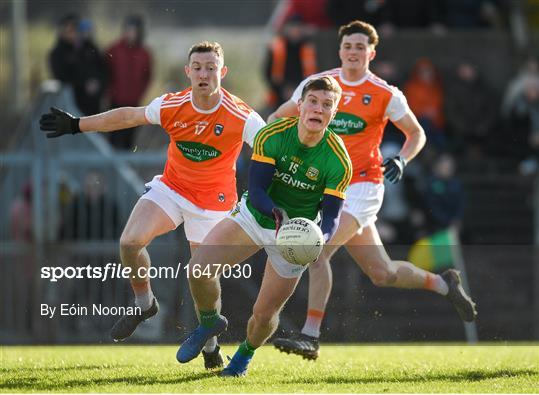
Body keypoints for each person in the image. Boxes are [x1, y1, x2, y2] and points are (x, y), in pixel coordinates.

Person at [39, 41, 266, 369]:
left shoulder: (241, 115)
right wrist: (77, 125)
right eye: (198, 68)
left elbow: (273, 146)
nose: (204, 74)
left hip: (214, 203)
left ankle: (210, 344)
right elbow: (128, 116)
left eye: (211, 68)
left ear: (223, 72)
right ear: (188, 72)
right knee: (130, 243)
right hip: (172, 189)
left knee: (202, 274)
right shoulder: (172, 105)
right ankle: (145, 303)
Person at [267, 20, 477, 360]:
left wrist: (403, 160)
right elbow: (278, 116)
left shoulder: (385, 92)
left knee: (317, 252)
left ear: (372, 53)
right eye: (348, 46)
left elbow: (416, 134)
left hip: (363, 186)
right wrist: (270, 150)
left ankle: (310, 336)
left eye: (360, 47)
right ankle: (444, 284)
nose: (353, 52)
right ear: (340, 50)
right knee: (383, 273)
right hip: (325, 187)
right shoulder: (318, 85)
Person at [176, 76, 352, 377]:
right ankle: (208, 321)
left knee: (263, 314)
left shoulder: (338, 160)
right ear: (300, 105)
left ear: (333, 114)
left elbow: (332, 217)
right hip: (256, 216)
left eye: (327, 105)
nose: (318, 108)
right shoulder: (272, 134)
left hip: (296, 236)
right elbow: (256, 189)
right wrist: (275, 213)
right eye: (313, 101)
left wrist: (317, 240)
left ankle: (243, 357)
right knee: (198, 270)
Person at [105, 15, 152, 150]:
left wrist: (139, 93)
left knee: (129, 139)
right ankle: (112, 169)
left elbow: (147, 76)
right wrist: (110, 91)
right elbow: (105, 73)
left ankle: (125, 169)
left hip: (134, 103)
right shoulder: (113, 49)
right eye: (128, 29)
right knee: (113, 138)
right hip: (115, 101)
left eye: (133, 30)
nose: (130, 33)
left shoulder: (145, 53)